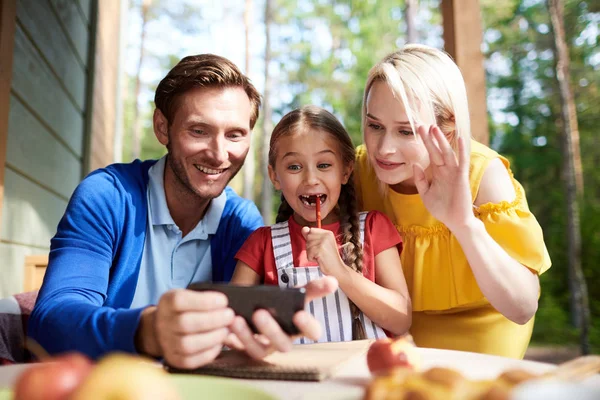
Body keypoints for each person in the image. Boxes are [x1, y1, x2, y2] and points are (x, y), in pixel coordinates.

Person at [28, 54, 337, 369]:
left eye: (235, 134)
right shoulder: (106, 197)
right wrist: (147, 331)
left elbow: (241, 332)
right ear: (162, 128)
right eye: (199, 131)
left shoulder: (243, 223)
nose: (219, 154)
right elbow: (49, 323)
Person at [354, 44, 551, 359]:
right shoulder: (358, 170)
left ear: (448, 127)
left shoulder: (482, 174)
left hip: (483, 337)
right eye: (375, 126)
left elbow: (522, 307)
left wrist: (463, 223)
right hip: (392, 334)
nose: (384, 148)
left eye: (406, 132)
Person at [231, 106, 411, 342]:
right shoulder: (261, 243)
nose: (311, 179)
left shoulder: (374, 227)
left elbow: (401, 321)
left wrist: (339, 270)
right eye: (294, 167)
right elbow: (232, 323)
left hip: (362, 375)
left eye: (324, 165)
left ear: (346, 171)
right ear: (275, 176)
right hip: (293, 376)